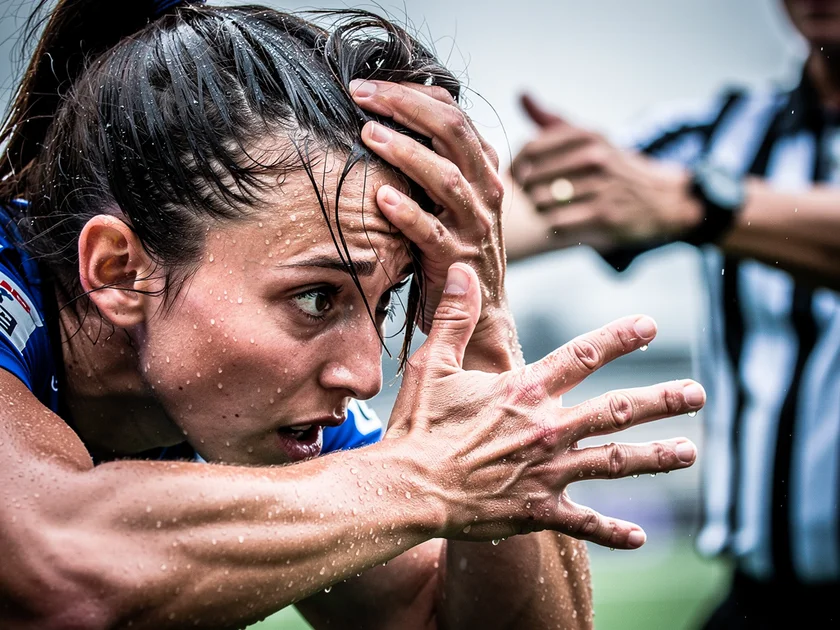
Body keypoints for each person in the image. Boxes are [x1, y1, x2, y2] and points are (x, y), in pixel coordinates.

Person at [0, 1, 706, 628]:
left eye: (386, 298)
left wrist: (486, 336)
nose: (367, 375)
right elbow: (54, 573)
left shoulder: (269, 411)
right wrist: (420, 481)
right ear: (120, 271)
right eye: (316, 298)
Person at [506, 0, 840, 626]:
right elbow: (533, 210)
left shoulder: (696, 177)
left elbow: (670, 193)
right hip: (762, 599)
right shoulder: (719, 133)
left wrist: (697, 205)